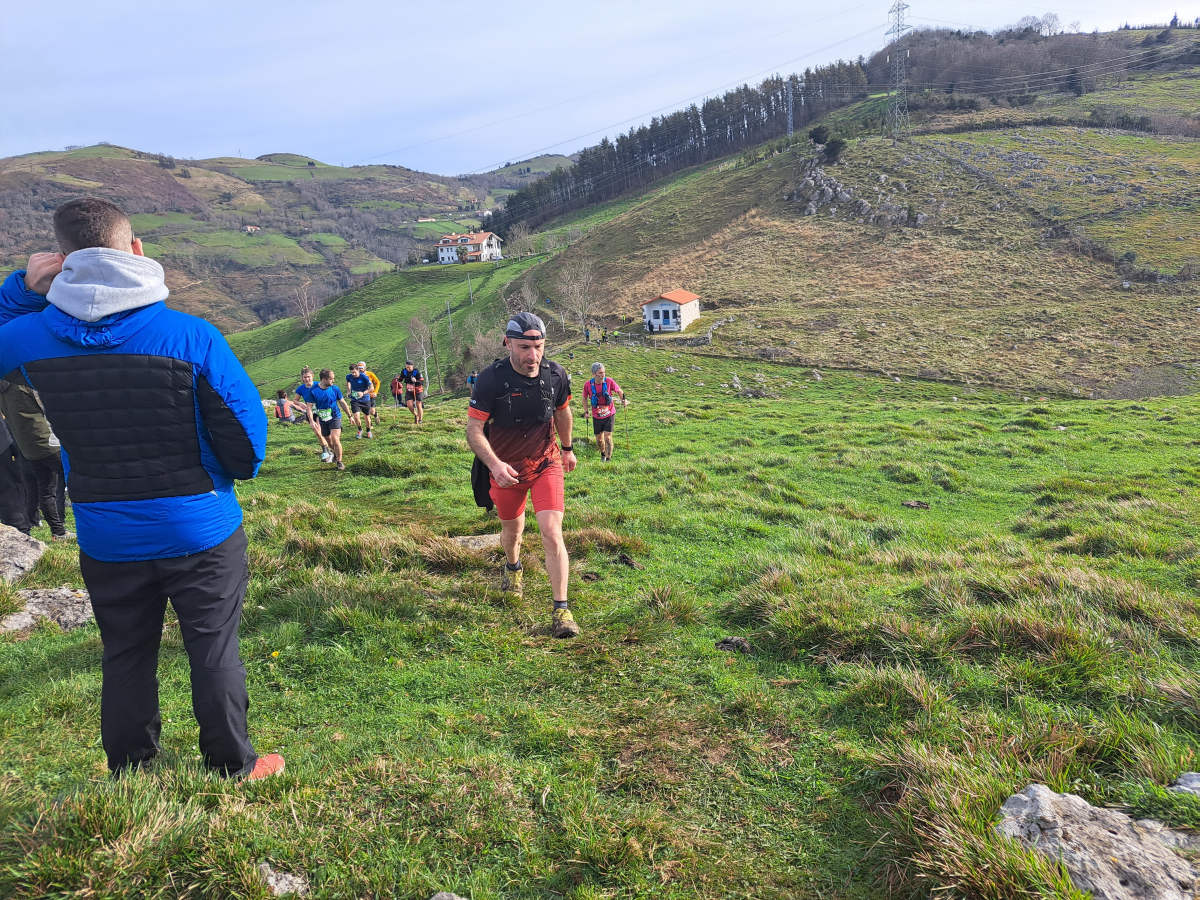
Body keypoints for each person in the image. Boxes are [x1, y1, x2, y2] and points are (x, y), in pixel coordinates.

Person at [0, 198, 282, 781]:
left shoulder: (27, 338)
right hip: (199, 524)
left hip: (105, 531)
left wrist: (19, 292)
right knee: (212, 647)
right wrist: (227, 476)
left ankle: (132, 772)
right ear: (136, 251)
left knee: (125, 650)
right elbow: (247, 437)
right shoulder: (191, 335)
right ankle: (232, 766)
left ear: (62, 260)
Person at [465, 311, 579, 639]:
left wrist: (567, 448)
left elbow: (563, 412)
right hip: (506, 470)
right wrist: (494, 465)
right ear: (508, 344)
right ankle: (513, 566)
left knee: (552, 532)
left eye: (539, 347)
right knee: (512, 532)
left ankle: (561, 610)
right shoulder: (490, 379)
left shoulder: (555, 374)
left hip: (545, 463)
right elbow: (474, 430)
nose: (533, 356)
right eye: (525, 348)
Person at [0, 376, 69, 540]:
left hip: (28, 447)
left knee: (45, 489)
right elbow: (47, 407)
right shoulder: (23, 383)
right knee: (72, 480)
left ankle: (57, 530)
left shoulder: (2, 392)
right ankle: (66, 526)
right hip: (48, 441)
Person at [582, 362, 627, 462]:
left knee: (608, 437)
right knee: (599, 440)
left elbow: (619, 391)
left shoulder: (609, 381)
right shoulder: (588, 385)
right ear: (594, 374)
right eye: (600, 373)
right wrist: (586, 411)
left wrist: (623, 400)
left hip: (609, 413)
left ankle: (608, 459)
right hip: (596, 415)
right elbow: (584, 398)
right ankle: (603, 454)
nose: (603, 375)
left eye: (604, 372)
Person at [310, 368, 353, 471]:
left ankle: (339, 461)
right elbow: (309, 406)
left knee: (335, 438)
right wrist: (312, 420)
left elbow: (342, 402)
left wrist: (350, 416)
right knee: (328, 440)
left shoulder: (335, 389)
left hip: (335, 416)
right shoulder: (314, 391)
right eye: (331, 379)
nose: (333, 381)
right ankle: (335, 452)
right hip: (323, 418)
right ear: (324, 379)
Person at [293, 367, 333, 462]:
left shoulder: (318, 385)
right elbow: (295, 400)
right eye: (305, 377)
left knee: (320, 431)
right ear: (302, 378)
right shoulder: (301, 388)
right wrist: (300, 403)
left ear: (312, 376)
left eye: (308, 377)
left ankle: (328, 451)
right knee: (317, 432)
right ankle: (327, 451)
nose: (307, 379)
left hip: (322, 411)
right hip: (310, 411)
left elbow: (329, 393)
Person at [345, 362, 373, 438]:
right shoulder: (349, 376)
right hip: (355, 399)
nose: (353, 374)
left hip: (365, 399)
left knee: (367, 417)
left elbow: (371, 388)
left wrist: (363, 393)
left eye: (354, 372)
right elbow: (348, 382)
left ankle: (368, 431)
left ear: (358, 370)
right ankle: (360, 430)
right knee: (356, 416)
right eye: (352, 372)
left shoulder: (364, 377)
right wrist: (348, 391)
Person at [360, 361, 381, 428]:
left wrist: (375, 392)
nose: (360, 369)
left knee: (372, 411)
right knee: (366, 411)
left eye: (361, 368)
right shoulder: (356, 376)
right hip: (363, 396)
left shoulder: (370, 374)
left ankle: (375, 415)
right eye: (358, 368)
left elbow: (377, 382)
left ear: (365, 368)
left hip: (371, 395)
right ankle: (370, 425)